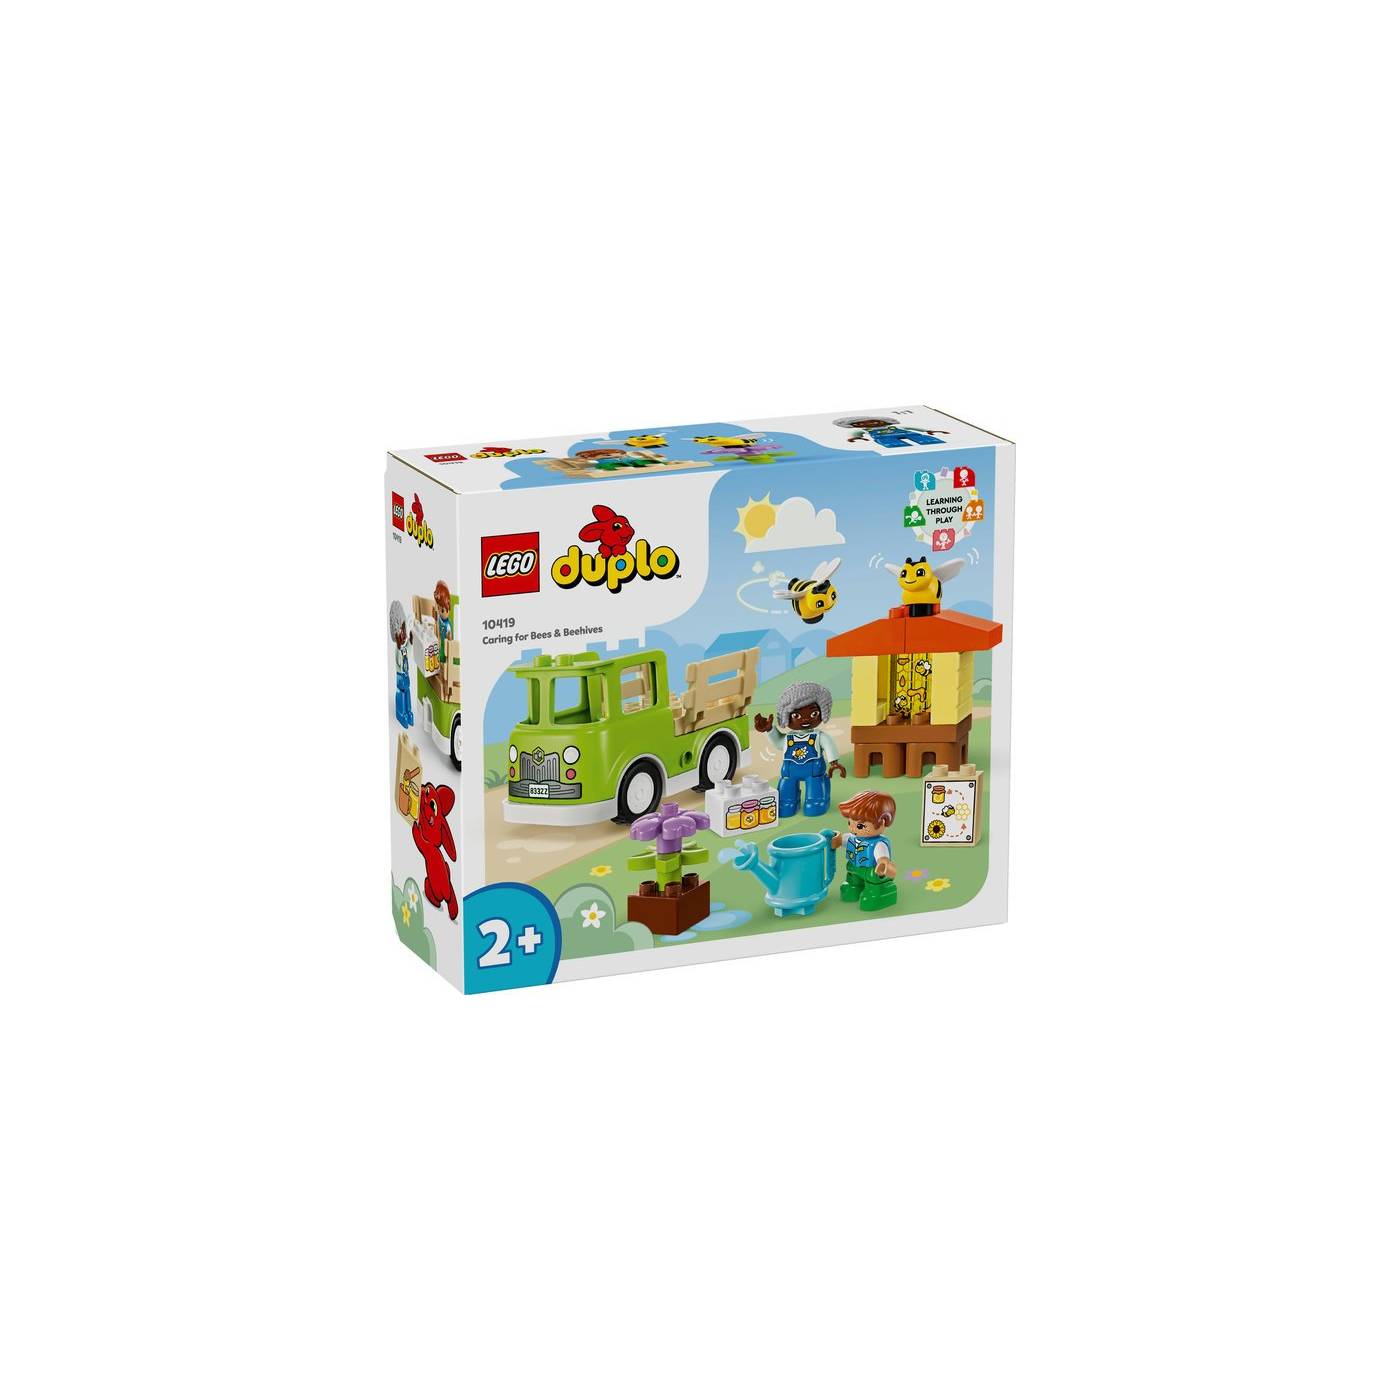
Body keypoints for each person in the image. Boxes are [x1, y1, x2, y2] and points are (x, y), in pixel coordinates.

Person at [753, 681, 845, 818]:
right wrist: (769, 730)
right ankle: (787, 802)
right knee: (786, 790)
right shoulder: (788, 738)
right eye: (796, 716)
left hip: (813, 772)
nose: (805, 719)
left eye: (814, 713)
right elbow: (778, 743)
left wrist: (834, 762)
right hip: (790, 771)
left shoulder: (819, 736)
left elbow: (828, 745)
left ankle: (816, 801)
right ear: (785, 716)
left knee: (815, 793)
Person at [830, 790, 899, 912]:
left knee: (873, 880)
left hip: (870, 871)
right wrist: (836, 839)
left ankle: (875, 893)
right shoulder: (852, 837)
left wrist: (883, 863)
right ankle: (854, 886)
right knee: (852, 879)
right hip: (854, 868)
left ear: (882, 823)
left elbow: (882, 858)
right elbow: (841, 841)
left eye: (860, 826)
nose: (853, 829)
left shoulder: (878, 844)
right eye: (850, 822)